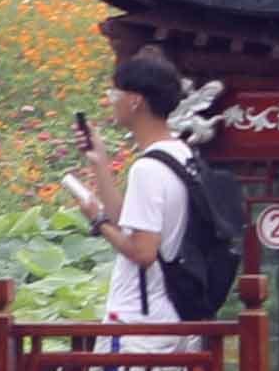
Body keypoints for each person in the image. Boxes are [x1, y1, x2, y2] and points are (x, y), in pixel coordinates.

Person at [65, 47, 204, 322]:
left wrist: (97, 220)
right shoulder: (182, 155)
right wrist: (100, 162)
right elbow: (128, 224)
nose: (111, 101)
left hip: (140, 322)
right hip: (170, 314)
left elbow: (143, 252)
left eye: (116, 94)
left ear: (135, 101)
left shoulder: (148, 169)